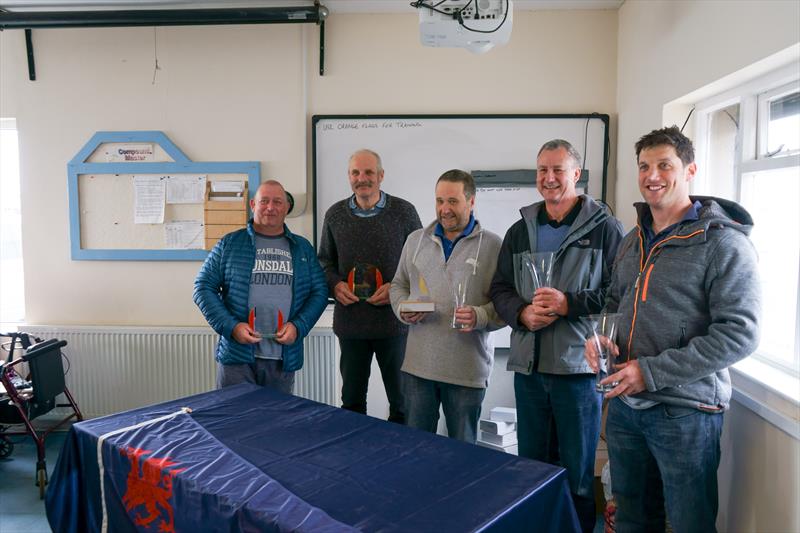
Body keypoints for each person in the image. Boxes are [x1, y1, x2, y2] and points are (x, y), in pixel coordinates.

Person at [585, 126, 760, 532]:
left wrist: (649, 372)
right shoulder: (633, 240)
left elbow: (740, 332)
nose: (652, 175)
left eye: (665, 165)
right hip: (627, 409)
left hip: (685, 415)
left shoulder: (723, 245)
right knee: (631, 520)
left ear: (690, 170)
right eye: (644, 166)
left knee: (688, 524)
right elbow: (614, 304)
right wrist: (600, 337)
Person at [490, 139, 624, 532]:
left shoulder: (605, 229)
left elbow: (619, 293)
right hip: (529, 369)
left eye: (558, 170)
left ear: (576, 175)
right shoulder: (519, 231)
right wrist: (521, 312)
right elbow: (499, 289)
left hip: (578, 373)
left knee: (578, 477)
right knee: (531, 471)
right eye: (543, 171)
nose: (549, 178)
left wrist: (569, 304)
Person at [390, 169, 504, 443]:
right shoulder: (415, 241)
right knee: (417, 454)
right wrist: (403, 308)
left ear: (471, 201)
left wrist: (479, 316)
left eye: (452, 201)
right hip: (418, 369)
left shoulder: (493, 246)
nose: (445, 209)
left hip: (466, 373)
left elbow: (506, 305)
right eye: (440, 201)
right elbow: (397, 286)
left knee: (463, 458)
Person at [194, 180, 328, 394]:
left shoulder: (302, 248)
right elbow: (202, 287)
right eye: (264, 201)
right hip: (237, 356)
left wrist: (298, 326)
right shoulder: (230, 244)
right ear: (253, 204)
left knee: (275, 423)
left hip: (282, 357)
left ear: (286, 208)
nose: (270, 207)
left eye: (277, 202)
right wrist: (232, 327)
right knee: (234, 421)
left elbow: (320, 292)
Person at [318, 149, 422, 423]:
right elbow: (324, 261)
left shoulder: (404, 212)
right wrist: (334, 284)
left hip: (395, 324)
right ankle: (354, 463)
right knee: (351, 404)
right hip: (351, 325)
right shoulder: (334, 215)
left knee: (402, 404)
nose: (361, 178)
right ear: (349, 176)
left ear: (381, 175)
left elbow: (421, 263)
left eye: (368, 172)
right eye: (355, 172)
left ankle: (399, 461)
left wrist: (396, 289)